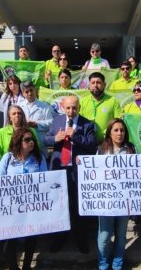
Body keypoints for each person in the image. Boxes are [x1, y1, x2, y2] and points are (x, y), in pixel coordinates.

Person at [43, 96, 97, 253]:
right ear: (62, 107)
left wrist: (76, 137)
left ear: (79, 107)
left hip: (77, 172)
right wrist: (55, 138)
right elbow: (45, 140)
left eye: (74, 108)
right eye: (68, 108)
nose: (71, 111)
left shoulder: (87, 124)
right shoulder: (57, 121)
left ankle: (81, 239)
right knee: (60, 206)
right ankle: (60, 238)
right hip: (59, 171)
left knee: (78, 206)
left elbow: (92, 146)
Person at [0, 128, 47, 270]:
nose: (31, 142)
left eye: (32, 140)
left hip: (32, 207)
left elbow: (45, 180)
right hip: (12, 207)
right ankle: (13, 267)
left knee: (31, 238)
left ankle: (26, 266)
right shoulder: (8, 158)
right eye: (27, 140)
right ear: (18, 141)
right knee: (9, 241)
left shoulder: (39, 159)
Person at [97, 118, 136, 270]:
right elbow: (93, 172)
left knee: (121, 235)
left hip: (125, 200)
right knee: (104, 236)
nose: (119, 133)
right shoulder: (101, 149)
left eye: (122, 130)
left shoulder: (131, 148)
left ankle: (118, 264)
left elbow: (140, 170)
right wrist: (82, 163)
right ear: (109, 132)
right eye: (116, 130)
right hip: (106, 200)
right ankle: (103, 263)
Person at [79, 72, 122, 143]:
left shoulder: (113, 101)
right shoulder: (82, 102)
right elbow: (78, 122)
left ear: (104, 85)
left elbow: (118, 123)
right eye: (93, 83)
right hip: (86, 143)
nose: (95, 85)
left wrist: (107, 134)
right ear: (89, 85)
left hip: (107, 143)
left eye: (98, 82)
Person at [20, 80, 53, 158]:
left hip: (40, 142)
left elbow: (51, 123)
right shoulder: (19, 106)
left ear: (35, 90)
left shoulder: (44, 106)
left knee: (42, 164)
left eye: (31, 90)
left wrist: (36, 124)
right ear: (22, 93)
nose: (30, 93)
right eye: (26, 92)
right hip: (23, 142)